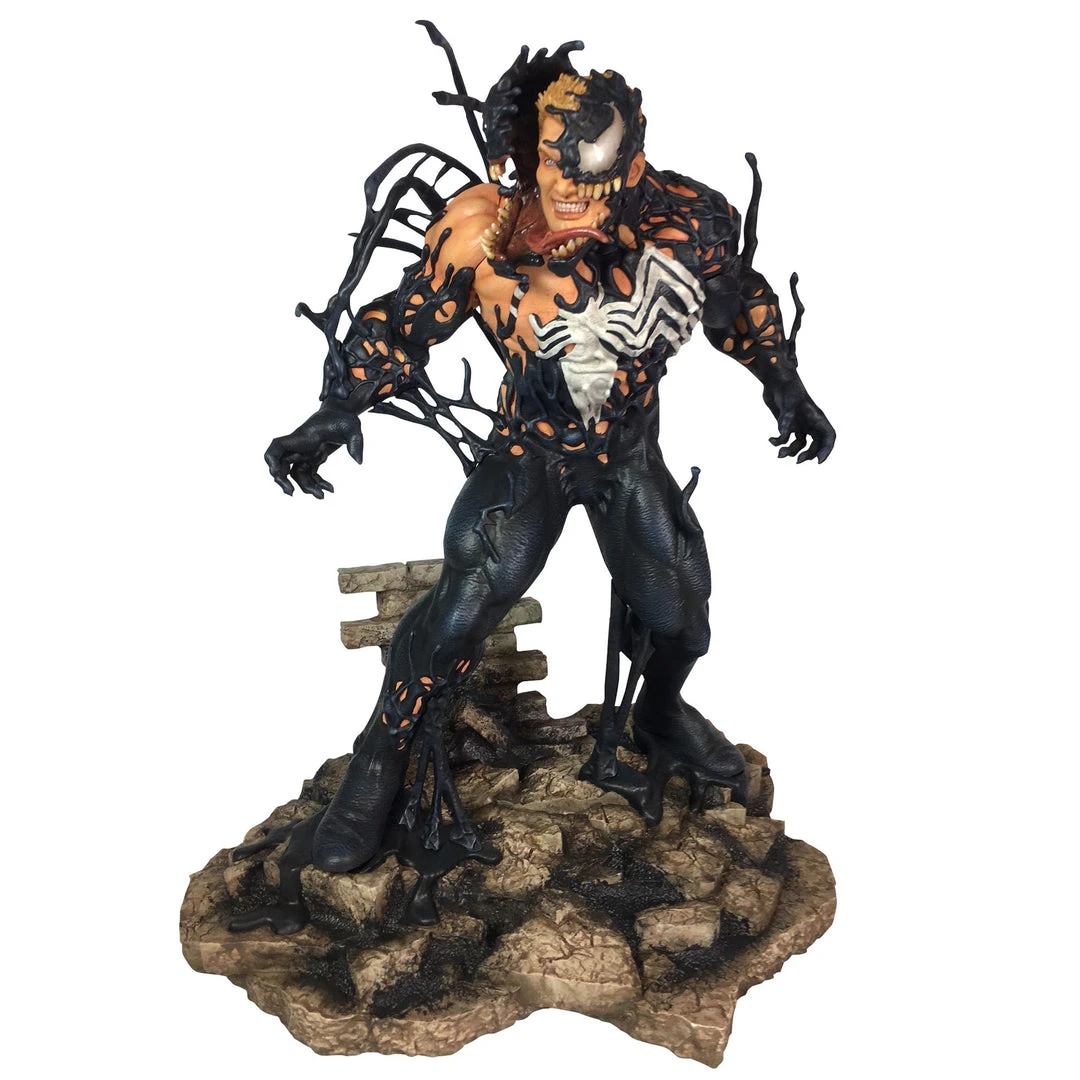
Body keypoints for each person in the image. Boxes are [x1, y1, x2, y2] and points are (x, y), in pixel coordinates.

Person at [265, 60, 835, 875]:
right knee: (464, 606)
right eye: (556, 174)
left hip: (627, 454)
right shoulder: (480, 231)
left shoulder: (685, 220)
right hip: (527, 450)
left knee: (682, 617)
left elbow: (738, 298)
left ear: (633, 163)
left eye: (594, 178)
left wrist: (783, 383)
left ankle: (660, 711)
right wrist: (337, 407)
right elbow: (399, 325)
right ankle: (380, 755)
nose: (573, 198)